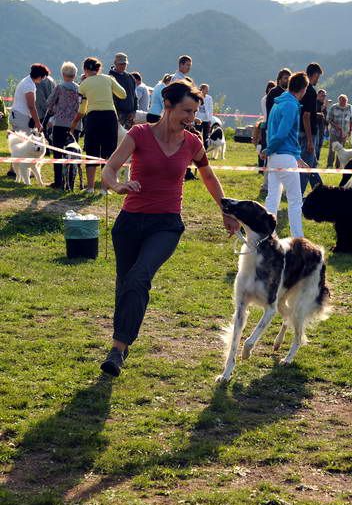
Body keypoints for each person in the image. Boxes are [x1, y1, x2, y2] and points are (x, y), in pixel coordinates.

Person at [99, 80, 239, 377]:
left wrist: (226, 210)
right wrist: (117, 185)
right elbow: (108, 169)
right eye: (187, 111)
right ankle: (122, 342)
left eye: (195, 112)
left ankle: (117, 349)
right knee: (126, 286)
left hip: (166, 225)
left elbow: (209, 178)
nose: (192, 118)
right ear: (167, 105)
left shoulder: (192, 143)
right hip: (129, 224)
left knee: (139, 277)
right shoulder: (138, 134)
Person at [69, 57, 127, 194]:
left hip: (93, 118)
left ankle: (90, 187)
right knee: (108, 153)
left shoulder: (83, 85)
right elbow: (123, 95)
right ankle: (104, 188)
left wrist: (74, 124)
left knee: (91, 152)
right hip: (110, 117)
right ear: (98, 69)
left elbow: (82, 110)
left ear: (85, 70)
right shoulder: (108, 79)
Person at [265, 72, 309, 238]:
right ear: (303, 89)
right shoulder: (291, 105)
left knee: (273, 197)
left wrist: (296, 157)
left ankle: (267, 234)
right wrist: (268, 149)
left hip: (276, 157)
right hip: (283, 156)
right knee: (295, 201)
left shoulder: (279, 103)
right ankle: (298, 238)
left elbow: (279, 132)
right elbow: (283, 133)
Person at [46, 62, 81, 189]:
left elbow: (49, 102)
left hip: (60, 124)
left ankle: (58, 182)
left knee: (58, 153)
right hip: (75, 125)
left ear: (62, 74)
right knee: (72, 154)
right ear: (75, 75)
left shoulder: (59, 88)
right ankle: (70, 182)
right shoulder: (79, 89)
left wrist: (55, 109)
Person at [299, 63, 324, 194]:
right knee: (306, 167)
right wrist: (309, 140)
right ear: (314, 75)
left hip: (300, 131)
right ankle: (298, 195)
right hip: (308, 134)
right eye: (318, 77)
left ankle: (321, 192)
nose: (318, 80)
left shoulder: (301, 89)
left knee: (312, 164)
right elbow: (306, 116)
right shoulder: (310, 91)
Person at [10, 64, 50, 133]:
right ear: (40, 77)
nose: (43, 79)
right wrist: (38, 123)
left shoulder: (27, 81)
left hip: (17, 115)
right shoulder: (29, 86)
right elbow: (31, 106)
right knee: (25, 141)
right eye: (43, 77)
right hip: (21, 117)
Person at [109, 52, 137, 130]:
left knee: (129, 137)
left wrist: (134, 110)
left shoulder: (130, 77)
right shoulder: (110, 78)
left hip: (130, 114)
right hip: (117, 113)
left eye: (124, 64)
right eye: (121, 64)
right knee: (115, 136)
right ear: (115, 63)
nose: (123, 66)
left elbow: (134, 96)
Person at [326, 94, 352, 167]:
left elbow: (351, 119)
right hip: (334, 132)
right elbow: (328, 119)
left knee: (341, 150)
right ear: (339, 101)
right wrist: (336, 126)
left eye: (344, 101)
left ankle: (338, 165)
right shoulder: (333, 107)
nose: (343, 103)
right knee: (332, 149)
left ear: (347, 101)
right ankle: (329, 165)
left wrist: (350, 130)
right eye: (341, 101)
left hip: (344, 132)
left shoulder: (350, 107)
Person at [196, 83, 214, 149]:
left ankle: (205, 150)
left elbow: (211, 108)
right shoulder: (197, 96)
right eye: (206, 89)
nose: (207, 91)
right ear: (202, 89)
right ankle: (197, 148)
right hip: (198, 118)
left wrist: (210, 119)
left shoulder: (209, 98)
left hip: (206, 119)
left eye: (208, 89)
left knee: (206, 136)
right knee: (197, 134)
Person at [315, 89, 328, 161]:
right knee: (316, 145)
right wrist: (322, 109)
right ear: (318, 96)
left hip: (322, 127)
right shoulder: (315, 103)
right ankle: (314, 162)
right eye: (322, 95)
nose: (324, 97)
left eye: (325, 96)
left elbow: (325, 117)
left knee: (320, 145)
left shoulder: (323, 105)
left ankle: (317, 161)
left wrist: (326, 126)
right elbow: (316, 114)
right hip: (316, 127)